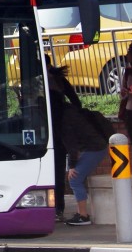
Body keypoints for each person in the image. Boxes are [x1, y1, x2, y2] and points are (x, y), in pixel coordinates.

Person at [60, 103, 113, 226]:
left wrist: (71, 166)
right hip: (97, 146)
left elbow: (71, 147)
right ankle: (81, 213)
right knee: (77, 179)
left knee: (75, 179)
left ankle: (83, 216)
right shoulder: (76, 113)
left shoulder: (65, 121)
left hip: (94, 149)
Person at [46, 59, 81, 221]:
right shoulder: (59, 79)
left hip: (49, 131)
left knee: (54, 170)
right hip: (60, 131)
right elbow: (76, 101)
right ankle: (58, 208)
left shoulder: (43, 81)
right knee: (58, 170)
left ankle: (55, 207)